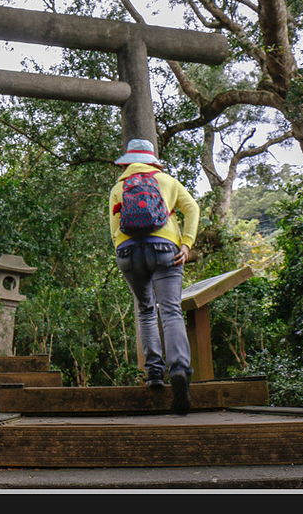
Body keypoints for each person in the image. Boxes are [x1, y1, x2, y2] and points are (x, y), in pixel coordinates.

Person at [108, 138, 199, 415]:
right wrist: (187, 243)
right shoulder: (168, 181)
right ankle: (180, 370)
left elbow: (114, 227)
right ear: (152, 161)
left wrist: (124, 250)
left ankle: (154, 373)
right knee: (170, 310)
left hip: (128, 253)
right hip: (165, 249)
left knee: (145, 310)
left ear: (128, 162)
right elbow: (192, 208)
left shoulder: (118, 186)